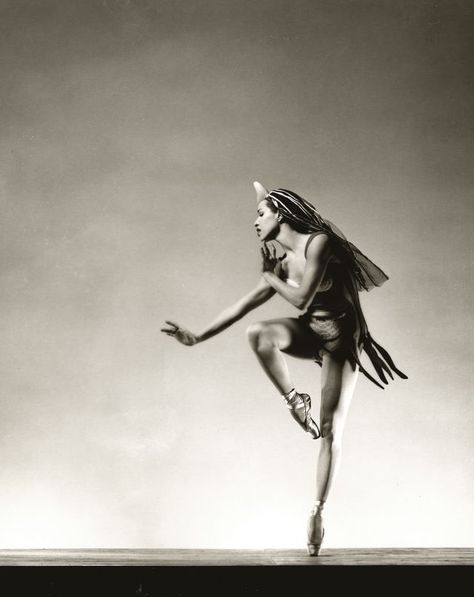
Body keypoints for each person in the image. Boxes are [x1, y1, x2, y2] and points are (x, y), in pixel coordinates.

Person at [161, 181, 407, 556]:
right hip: (311, 331)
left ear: (281, 213)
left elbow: (303, 295)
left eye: (260, 214)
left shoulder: (319, 242)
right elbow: (243, 306)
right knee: (258, 332)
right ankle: (295, 402)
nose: (255, 223)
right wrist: (198, 337)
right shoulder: (281, 263)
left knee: (329, 430)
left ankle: (318, 511)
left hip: (341, 340)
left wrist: (271, 278)